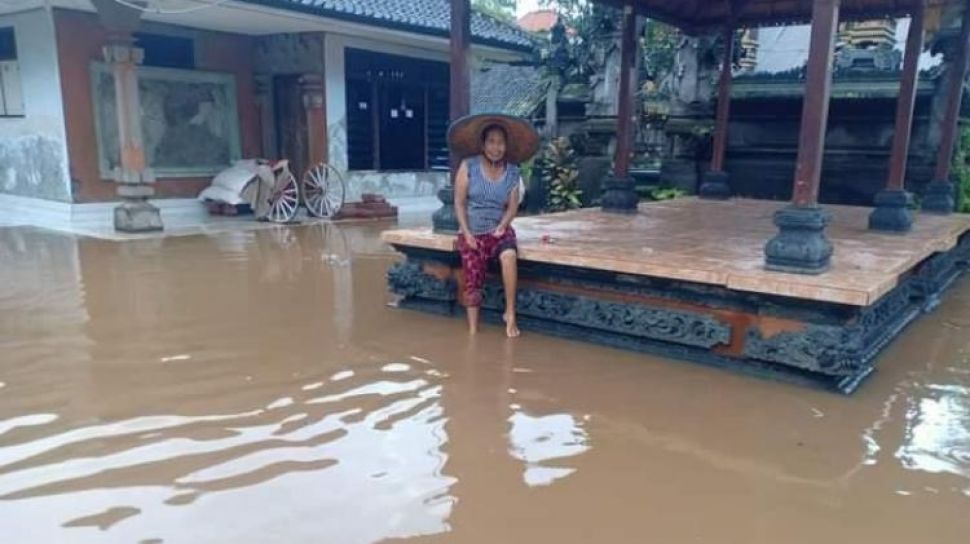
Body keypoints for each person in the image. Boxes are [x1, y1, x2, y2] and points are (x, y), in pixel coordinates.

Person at [448, 114, 539, 338]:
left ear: (506, 146)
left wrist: (503, 225)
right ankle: (472, 330)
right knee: (473, 275)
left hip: (498, 229)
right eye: (491, 142)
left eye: (500, 142)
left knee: (509, 255)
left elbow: (513, 206)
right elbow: (459, 203)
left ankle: (510, 313)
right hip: (473, 232)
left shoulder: (512, 172)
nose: (496, 147)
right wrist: (467, 233)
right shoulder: (468, 166)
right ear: (483, 143)